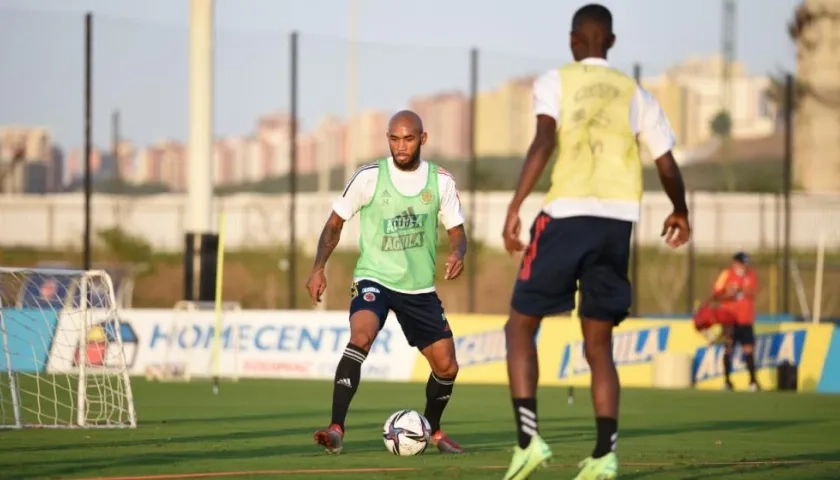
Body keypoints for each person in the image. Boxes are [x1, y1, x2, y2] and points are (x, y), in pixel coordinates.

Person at [499, 4, 691, 480]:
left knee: (519, 327)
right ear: (611, 41)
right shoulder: (636, 93)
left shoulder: (555, 81)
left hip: (566, 214)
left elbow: (544, 141)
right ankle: (605, 454)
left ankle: (529, 442)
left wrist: (515, 204)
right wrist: (681, 209)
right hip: (617, 223)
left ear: (572, 41)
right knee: (599, 343)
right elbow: (665, 162)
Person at [306, 110, 466, 455]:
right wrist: (319, 267)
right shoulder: (368, 176)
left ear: (422, 139)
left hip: (419, 288)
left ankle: (433, 431)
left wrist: (458, 253)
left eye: (408, 139)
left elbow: (457, 232)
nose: (400, 146)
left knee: (447, 365)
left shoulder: (440, 181)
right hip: (374, 278)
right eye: (394, 138)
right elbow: (334, 224)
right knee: (360, 336)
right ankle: (336, 429)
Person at [711, 251, 760, 391]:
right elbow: (717, 293)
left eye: (746, 264)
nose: (744, 267)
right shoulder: (726, 275)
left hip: (745, 319)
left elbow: (753, 292)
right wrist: (728, 292)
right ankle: (727, 381)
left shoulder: (750, 275)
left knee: (749, 349)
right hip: (729, 319)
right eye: (742, 263)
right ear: (736, 263)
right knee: (728, 348)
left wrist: (741, 290)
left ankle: (753, 382)